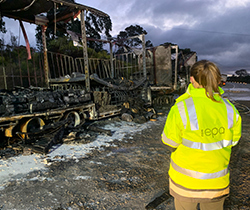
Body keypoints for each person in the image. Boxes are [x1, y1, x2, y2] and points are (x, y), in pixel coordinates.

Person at [161, 60, 242, 210]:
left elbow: (169, 141)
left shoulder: (180, 108)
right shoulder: (230, 110)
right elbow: (234, 141)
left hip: (185, 185)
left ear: (191, 80)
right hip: (217, 185)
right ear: (217, 81)